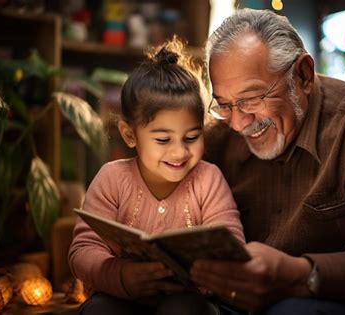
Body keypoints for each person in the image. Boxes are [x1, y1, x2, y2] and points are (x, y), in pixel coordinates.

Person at [189, 8, 345, 315]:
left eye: (252, 100)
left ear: (303, 76)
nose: (239, 124)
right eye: (226, 105)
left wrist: (302, 274)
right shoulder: (218, 138)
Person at [68, 38, 245, 315]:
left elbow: (231, 242)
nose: (179, 152)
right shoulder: (112, 178)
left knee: (185, 309)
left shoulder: (208, 179)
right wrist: (122, 276)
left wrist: (205, 275)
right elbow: (82, 251)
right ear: (130, 135)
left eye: (191, 137)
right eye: (163, 139)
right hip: (121, 296)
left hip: (190, 298)